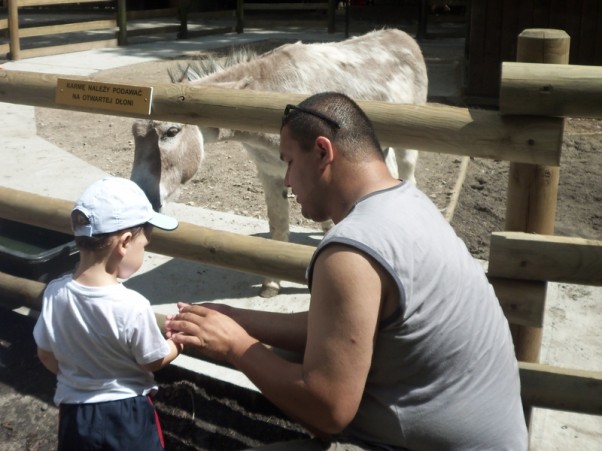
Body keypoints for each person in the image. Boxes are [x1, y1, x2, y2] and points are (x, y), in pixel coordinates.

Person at [165, 93, 528, 450]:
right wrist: (233, 317)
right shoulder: (406, 203)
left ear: (323, 152)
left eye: (289, 161)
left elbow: (328, 411)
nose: (287, 181)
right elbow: (341, 326)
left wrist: (235, 345)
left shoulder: (351, 251)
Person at [33, 176, 183, 451]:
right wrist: (177, 343)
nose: (144, 252)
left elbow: (45, 353)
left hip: (75, 415)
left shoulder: (54, 293)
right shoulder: (133, 305)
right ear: (125, 243)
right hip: (127, 415)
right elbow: (152, 360)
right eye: (144, 246)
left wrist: (78, 379)